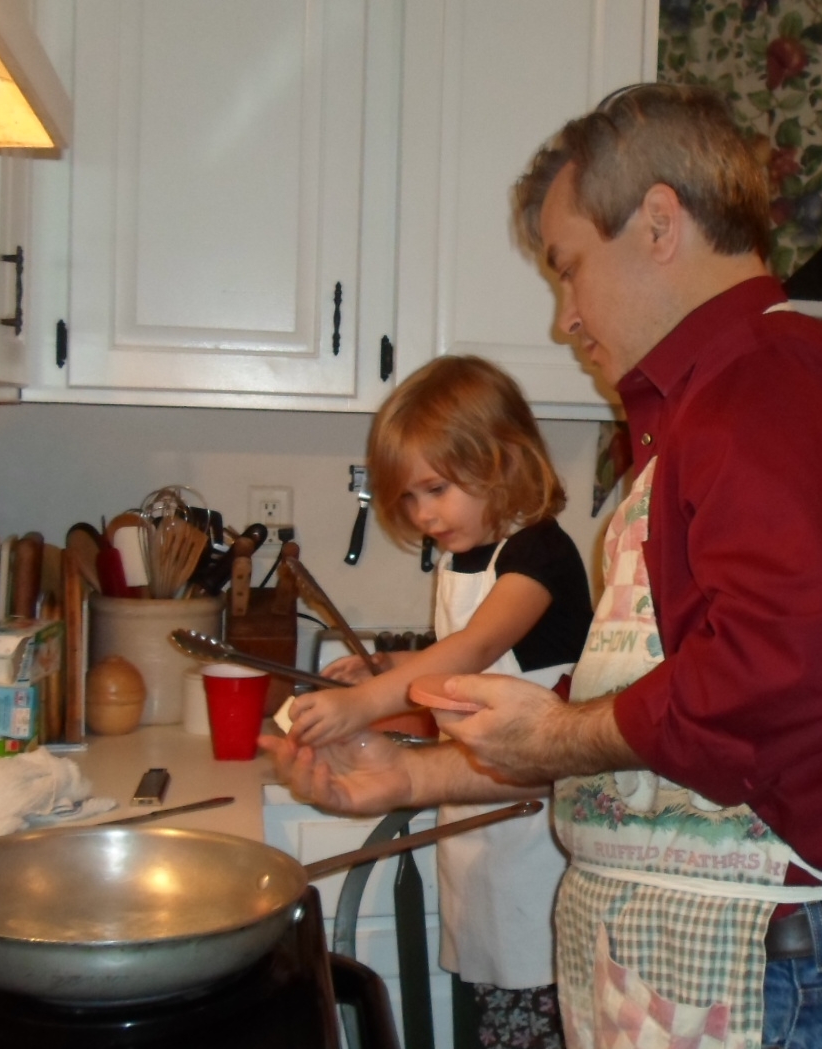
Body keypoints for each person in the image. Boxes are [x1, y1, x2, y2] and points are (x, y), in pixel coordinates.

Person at [261, 82, 822, 1049]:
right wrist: (410, 776)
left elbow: (783, 678)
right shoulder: (706, 411)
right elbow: (650, 740)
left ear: (660, 222)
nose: (563, 317)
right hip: (767, 978)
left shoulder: (767, 389)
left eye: (568, 269)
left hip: (799, 990)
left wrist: (556, 739)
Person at [289, 354, 593, 1048]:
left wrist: (366, 701)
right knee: (498, 1007)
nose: (423, 514)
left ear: (501, 459)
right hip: (482, 814)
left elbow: (473, 651)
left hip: (540, 832)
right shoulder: (469, 555)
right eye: (408, 498)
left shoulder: (538, 555)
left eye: (435, 489)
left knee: (539, 1009)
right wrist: (393, 665)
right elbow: (454, 655)